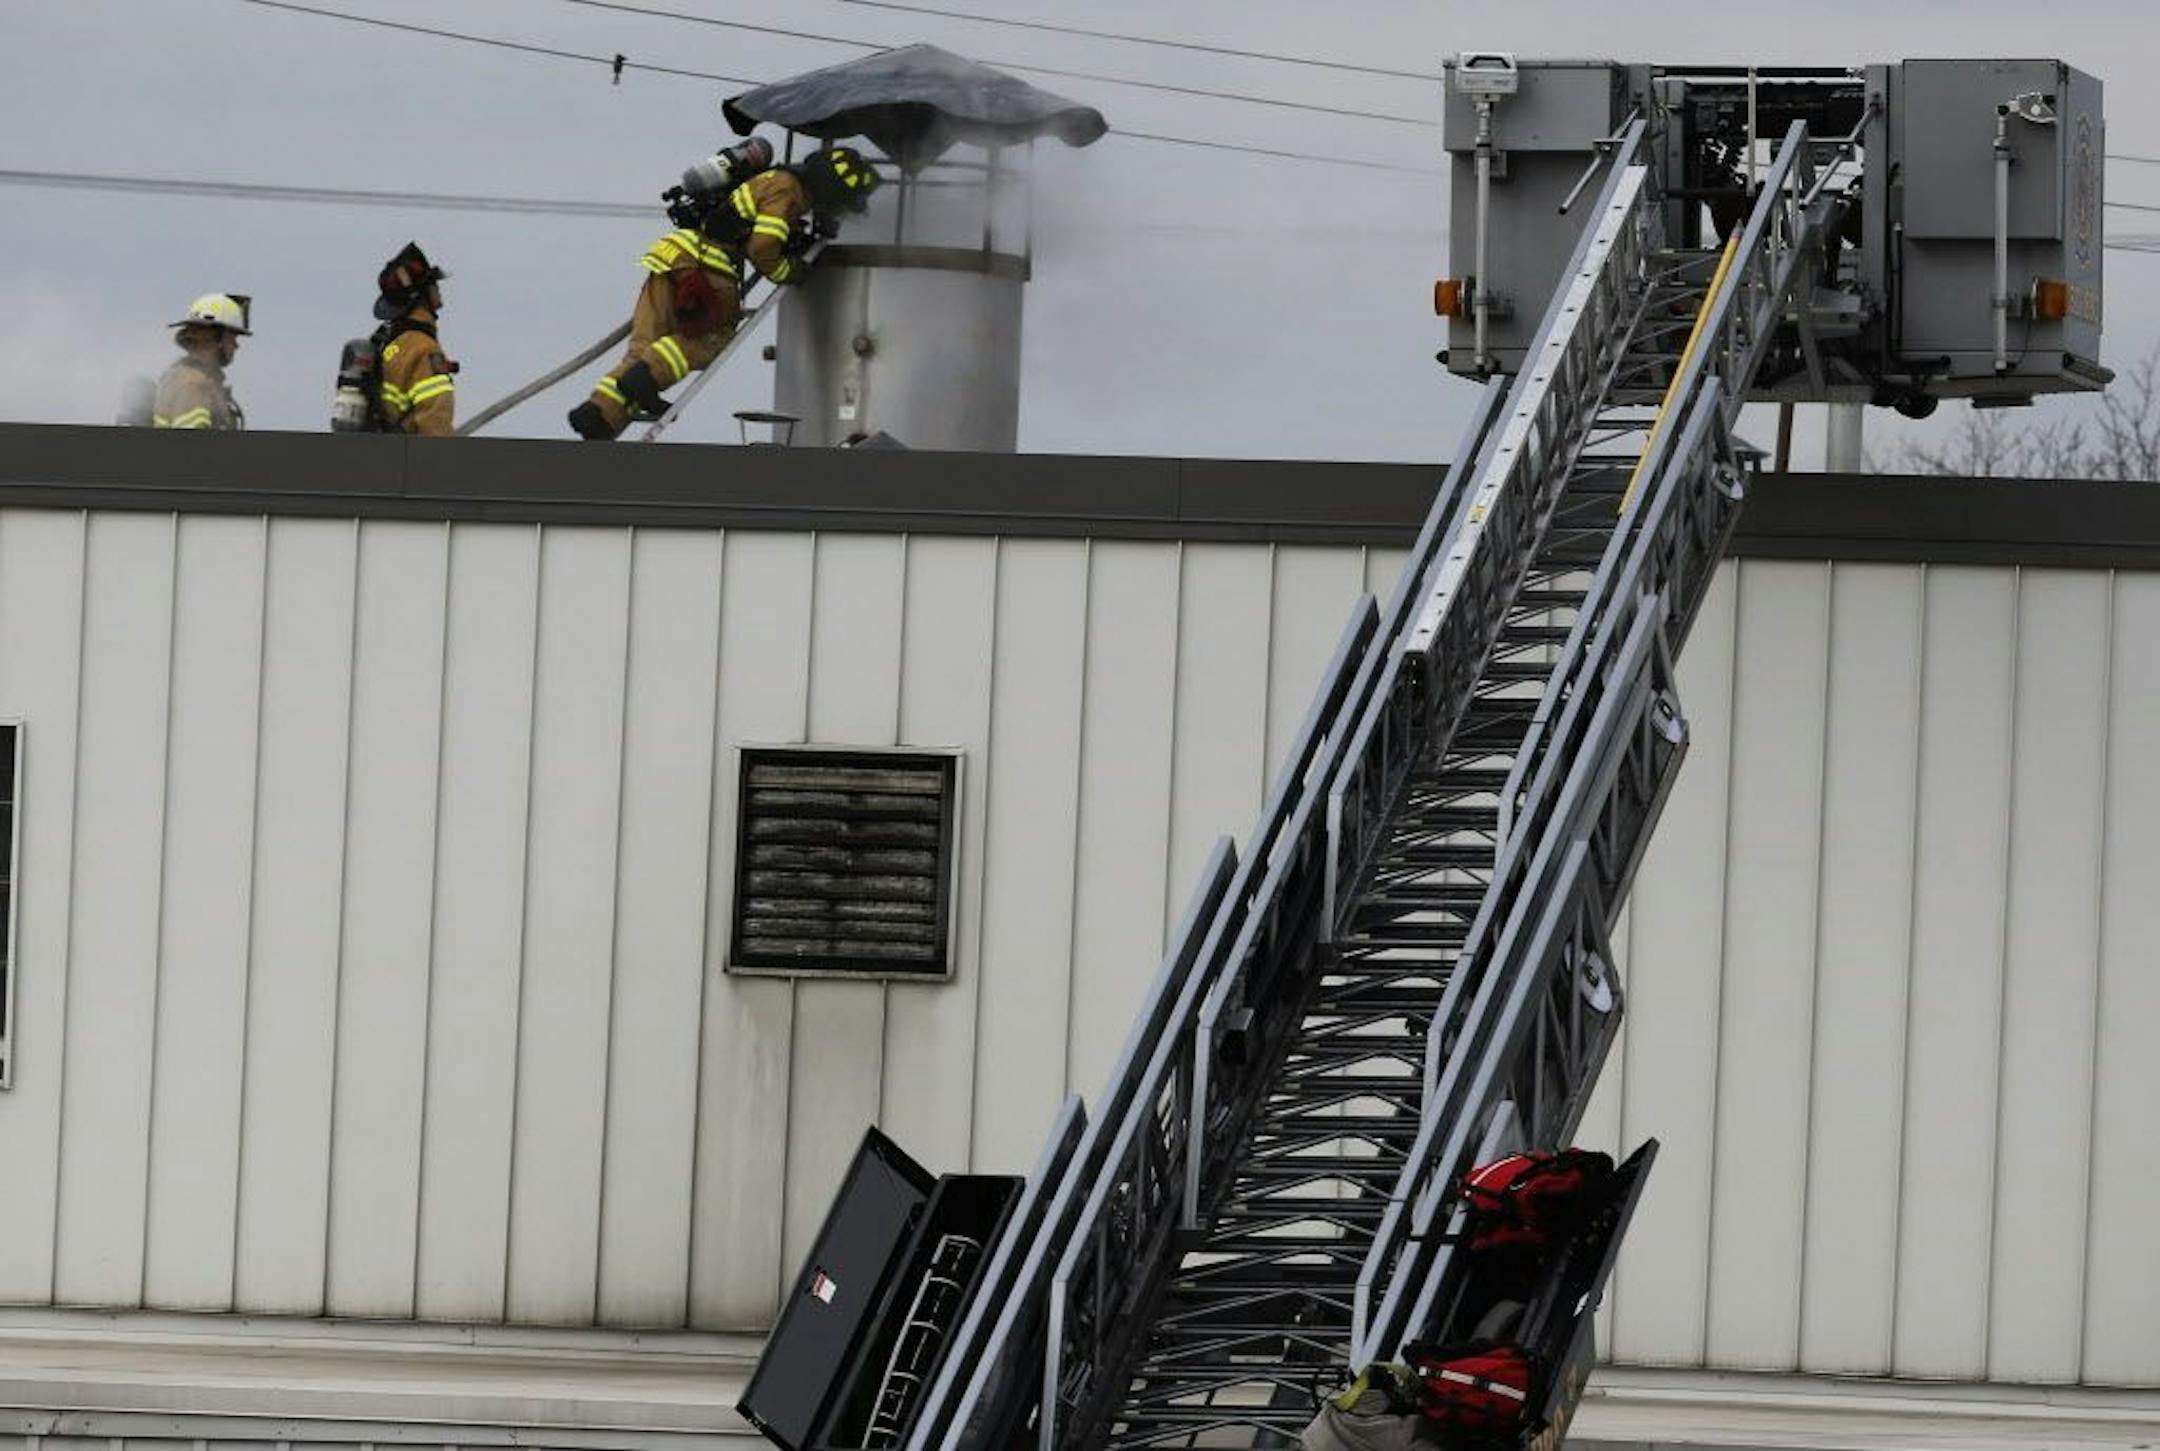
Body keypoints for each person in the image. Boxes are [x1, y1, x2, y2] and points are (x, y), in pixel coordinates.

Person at [568, 144, 882, 441]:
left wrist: (795, 235)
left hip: (673, 254)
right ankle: (646, 379)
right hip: (707, 266)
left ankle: (599, 416)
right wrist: (788, 271)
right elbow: (762, 246)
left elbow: (756, 225)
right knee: (712, 339)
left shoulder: (773, 178)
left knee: (645, 346)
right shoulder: (789, 191)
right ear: (832, 190)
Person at [371, 241, 458, 436]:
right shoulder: (423, 348)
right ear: (422, 294)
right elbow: (434, 418)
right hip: (411, 452)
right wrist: (447, 454)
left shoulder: (392, 345)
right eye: (433, 284)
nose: (438, 289)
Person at [154, 293, 249, 430]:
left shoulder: (197, 379)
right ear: (215, 339)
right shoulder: (192, 383)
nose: (236, 345)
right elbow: (189, 439)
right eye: (232, 338)